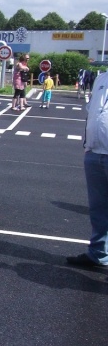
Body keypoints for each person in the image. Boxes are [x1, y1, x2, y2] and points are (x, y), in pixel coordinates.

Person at [67, 70, 108, 269]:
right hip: (95, 152)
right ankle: (98, 254)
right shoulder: (101, 78)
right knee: (99, 208)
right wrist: (87, 145)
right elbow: (92, 112)